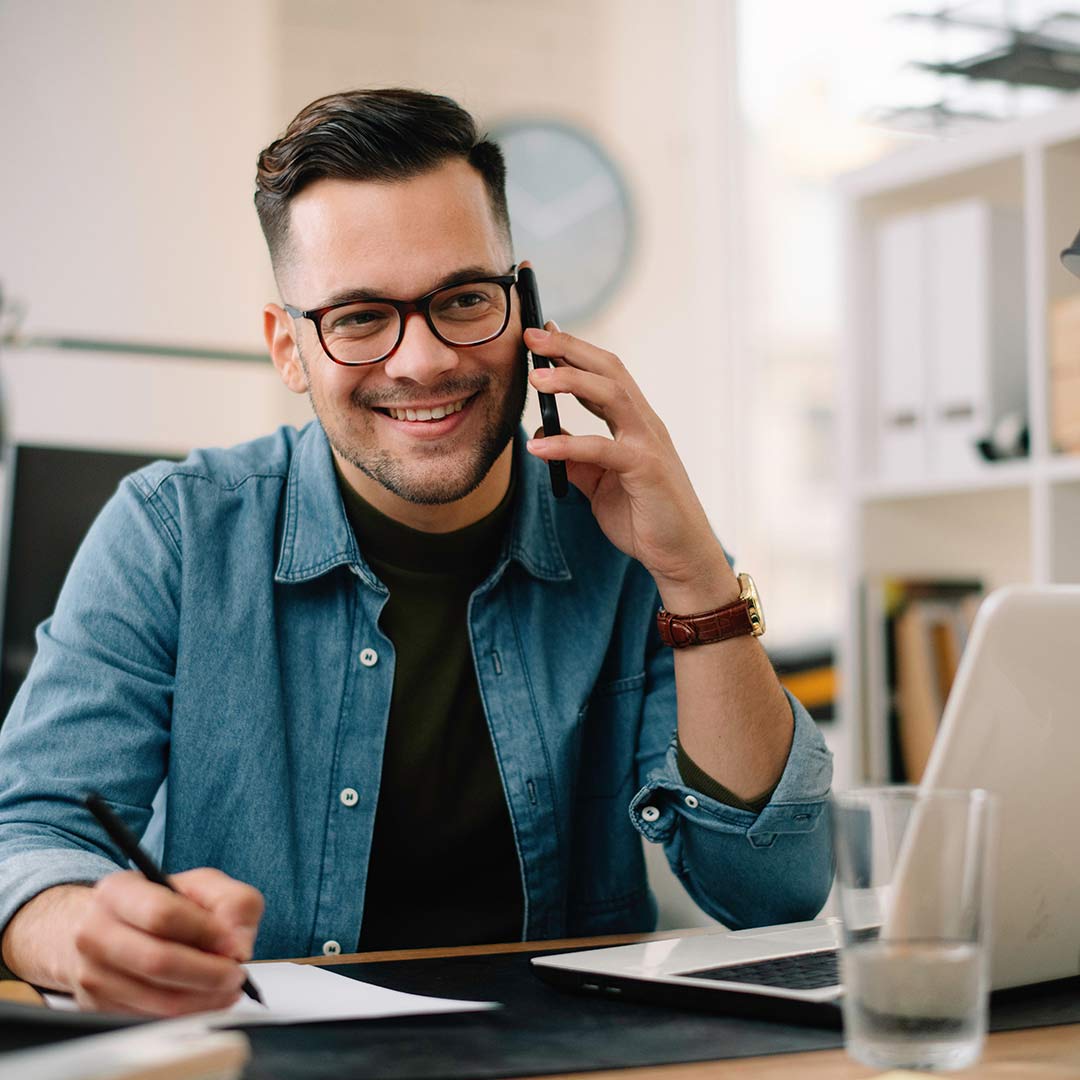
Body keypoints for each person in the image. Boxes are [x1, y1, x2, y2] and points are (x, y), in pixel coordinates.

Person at [0, 89, 833, 1017]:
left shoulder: (632, 534)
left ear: (525, 307)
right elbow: (27, 834)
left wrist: (694, 579)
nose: (423, 360)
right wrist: (84, 934)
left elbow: (774, 894)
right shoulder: (171, 533)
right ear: (288, 347)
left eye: (463, 299)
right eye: (359, 317)